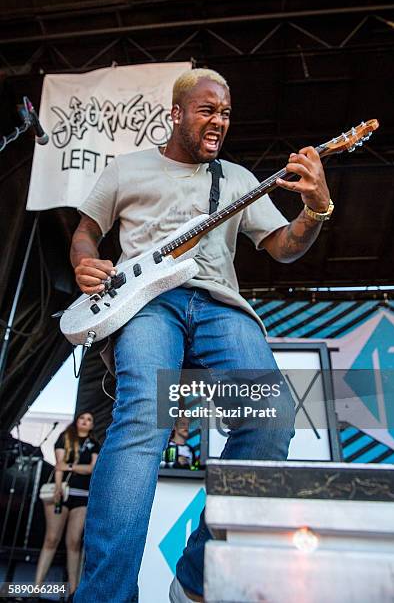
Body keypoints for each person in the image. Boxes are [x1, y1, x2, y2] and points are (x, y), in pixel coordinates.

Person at [70, 68, 332, 602]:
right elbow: (87, 230)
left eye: (227, 113)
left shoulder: (236, 179)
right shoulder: (127, 170)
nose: (220, 121)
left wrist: (315, 209)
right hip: (147, 304)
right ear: (177, 114)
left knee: (273, 415)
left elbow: (282, 247)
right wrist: (84, 262)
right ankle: (105, 595)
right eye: (209, 110)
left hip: (219, 304)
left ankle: (195, 576)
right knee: (145, 413)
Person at [35, 412, 100, 599]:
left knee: (74, 543)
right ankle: (36, 590)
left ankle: (73, 591)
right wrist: (57, 488)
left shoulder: (94, 444)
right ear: (76, 421)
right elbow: (58, 466)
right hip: (62, 492)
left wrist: (70, 467)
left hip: (82, 496)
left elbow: (91, 468)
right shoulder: (65, 438)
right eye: (82, 418)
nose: (86, 422)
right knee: (51, 539)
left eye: (89, 419)